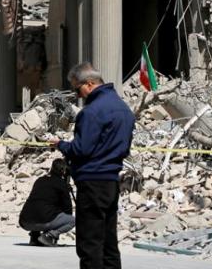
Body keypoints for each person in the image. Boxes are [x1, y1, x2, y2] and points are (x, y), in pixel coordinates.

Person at [50, 62, 135, 269]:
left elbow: (81, 149)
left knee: (90, 244)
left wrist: (60, 145)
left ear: (89, 84)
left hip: (91, 182)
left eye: (77, 89)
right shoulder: (123, 109)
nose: (77, 95)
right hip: (111, 182)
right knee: (109, 243)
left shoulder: (91, 112)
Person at [19, 158, 75, 246]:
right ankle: (49, 236)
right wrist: (65, 189)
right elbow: (68, 211)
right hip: (43, 221)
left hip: (24, 221)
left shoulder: (39, 180)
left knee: (41, 207)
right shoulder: (61, 184)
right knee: (73, 220)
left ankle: (34, 237)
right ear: (63, 171)